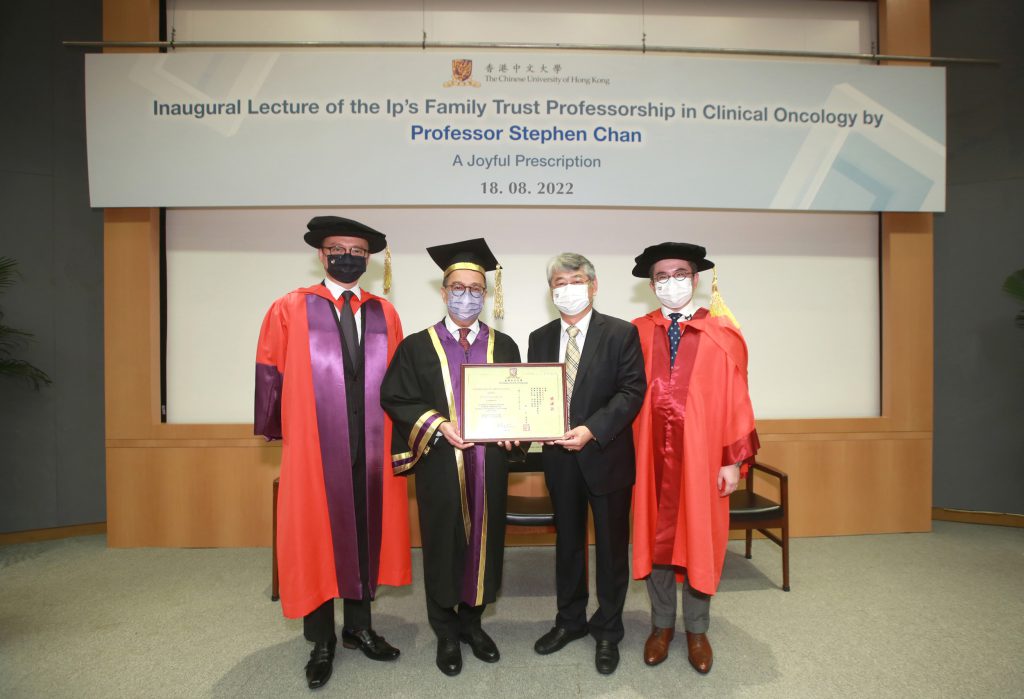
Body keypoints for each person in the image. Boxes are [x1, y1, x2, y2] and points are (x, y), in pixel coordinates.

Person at [254, 216, 410, 690]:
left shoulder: (385, 313)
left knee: (364, 531)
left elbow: (399, 386)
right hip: (315, 448)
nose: (349, 257)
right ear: (322, 255)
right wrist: (284, 435)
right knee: (316, 537)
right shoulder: (290, 307)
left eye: (359, 251)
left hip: (372, 444)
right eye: (339, 248)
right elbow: (269, 372)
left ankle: (358, 628)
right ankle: (321, 638)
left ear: (369, 259)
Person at [380, 238, 521, 677]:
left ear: (487, 293)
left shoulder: (506, 345)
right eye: (457, 287)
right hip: (441, 463)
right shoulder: (418, 346)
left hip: (489, 467)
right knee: (442, 544)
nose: (466, 296)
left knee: (484, 542)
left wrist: (517, 433)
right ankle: (445, 631)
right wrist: (439, 424)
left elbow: (520, 404)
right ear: (443, 292)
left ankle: (473, 625)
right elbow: (396, 397)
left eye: (476, 288)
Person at [629, 242, 759, 674]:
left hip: (703, 460)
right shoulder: (635, 332)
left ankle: (697, 630)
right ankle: (662, 625)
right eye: (662, 277)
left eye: (679, 274)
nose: (671, 283)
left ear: (696, 279)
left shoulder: (723, 335)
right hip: (648, 458)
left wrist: (731, 460)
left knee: (700, 537)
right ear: (651, 285)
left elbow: (736, 400)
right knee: (655, 539)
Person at [527, 252, 647, 675]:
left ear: (593, 285)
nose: (567, 289)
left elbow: (631, 392)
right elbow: (532, 394)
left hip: (606, 455)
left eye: (575, 280)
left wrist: (592, 429)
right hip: (559, 459)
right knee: (568, 545)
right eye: (559, 282)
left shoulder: (620, 333)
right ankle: (570, 621)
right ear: (550, 290)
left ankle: (609, 630)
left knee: (612, 549)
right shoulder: (539, 337)